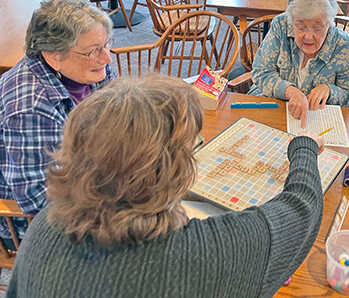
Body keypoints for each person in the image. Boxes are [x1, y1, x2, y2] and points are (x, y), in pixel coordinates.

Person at [8, 76, 325, 297]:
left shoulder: (43, 228)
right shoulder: (213, 253)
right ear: (167, 171)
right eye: (190, 149)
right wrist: (304, 148)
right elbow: (302, 208)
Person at [0, 0, 114, 245]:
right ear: (53, 55)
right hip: (35, 225)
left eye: (106, 44)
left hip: (86, 174)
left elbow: (115, 117)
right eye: (93, 51)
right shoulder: (30, 107)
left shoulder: (88, 69)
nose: (107, 58)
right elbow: (38, 200)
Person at [248, 0, 349, 128]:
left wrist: (329, 90)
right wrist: (290, 91)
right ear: (292, 21)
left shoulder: (347, 49)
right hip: (272, 107)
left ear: (329, 23)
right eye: (301, 27)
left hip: (314, 122)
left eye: (317, 28)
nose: (308, 37)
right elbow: (260, 72)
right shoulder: (280, 26)